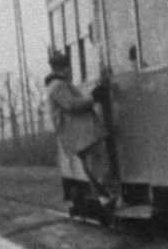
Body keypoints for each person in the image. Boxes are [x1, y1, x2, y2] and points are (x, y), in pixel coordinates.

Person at [44, 48, 120, 217]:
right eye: (67, 67)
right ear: (63, 68)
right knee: (99, 165)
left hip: (80, 135)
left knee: (93, 167)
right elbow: (72, 105)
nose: (69, 70)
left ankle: (106, 200)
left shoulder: (58, 85)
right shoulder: (58, 86)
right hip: (81, 135)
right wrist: (94, 97)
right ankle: (109, 198)